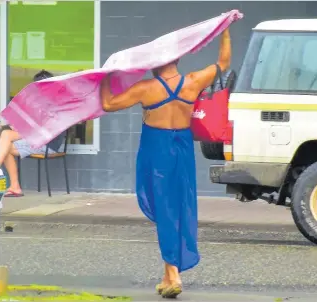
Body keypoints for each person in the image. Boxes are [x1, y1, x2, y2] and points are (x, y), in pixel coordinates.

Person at [100, 29, 232, 298]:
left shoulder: (145, 88)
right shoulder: (193, 82)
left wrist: (104, 77)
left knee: (164, 209)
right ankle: (168, 273)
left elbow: (108, 104)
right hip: (182, 146)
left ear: (154, 65)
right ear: (176, 61)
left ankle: (173, 274)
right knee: (180, 205)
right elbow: (223, 63)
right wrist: (225, 30)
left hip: (156, 148)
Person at [0, 70, 65, 197]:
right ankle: (15, 187)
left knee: (6, 135)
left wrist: (14, 126)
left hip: (47, 144)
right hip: (39, 140)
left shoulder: (51, 104)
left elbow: (38, 129)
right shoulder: (46, 102)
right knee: (5, 145)